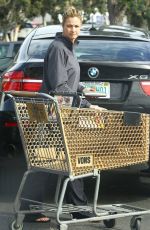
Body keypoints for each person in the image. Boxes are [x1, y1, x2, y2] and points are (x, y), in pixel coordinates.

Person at [40, 6, 106, 219]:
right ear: (63, 26)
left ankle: (75, 206)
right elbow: (59, 87)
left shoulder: (69, 47)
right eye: (69, 26)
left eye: (77, 26)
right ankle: (78, 208)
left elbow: (68, 81)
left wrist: (82, 90)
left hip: (65, 112)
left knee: (66, 158)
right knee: (69, 157)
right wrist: (86, 105)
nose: (73, 29)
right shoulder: (59, 48)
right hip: (57, 113)